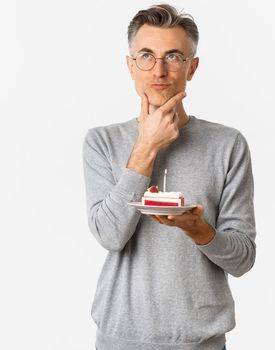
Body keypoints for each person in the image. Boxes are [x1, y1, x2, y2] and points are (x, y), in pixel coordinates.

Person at [82, 4, 256, 349]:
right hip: (121, 337)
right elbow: (109, 235)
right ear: (130, 66)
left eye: (173, 56)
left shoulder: (227, 144)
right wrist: (146, 146)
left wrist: (200, 231)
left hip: (200, 340)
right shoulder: (101, 141)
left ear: (192, 68)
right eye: (146, 55)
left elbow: (242, 258)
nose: (159, 69)